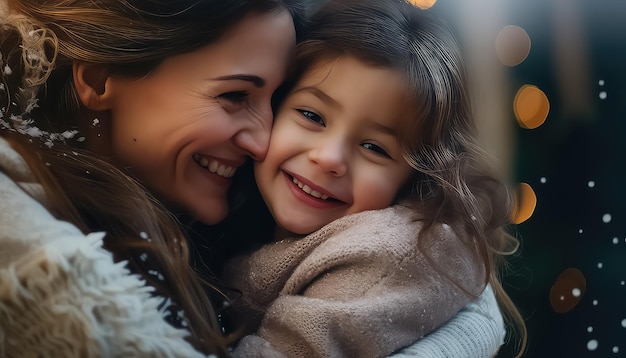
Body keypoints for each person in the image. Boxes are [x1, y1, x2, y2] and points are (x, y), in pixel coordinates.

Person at [0, 0, 511, 357]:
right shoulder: (31, 228)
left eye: (275, 100)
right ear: (99, 77)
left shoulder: (230, 203)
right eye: (235, 96)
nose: (263, 140)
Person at [220, 0, 526, 356]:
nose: (329, 158)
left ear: (416, 178)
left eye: (374, 148)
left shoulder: (382, 258)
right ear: (274, 104)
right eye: (311, 115)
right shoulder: (232, 201)